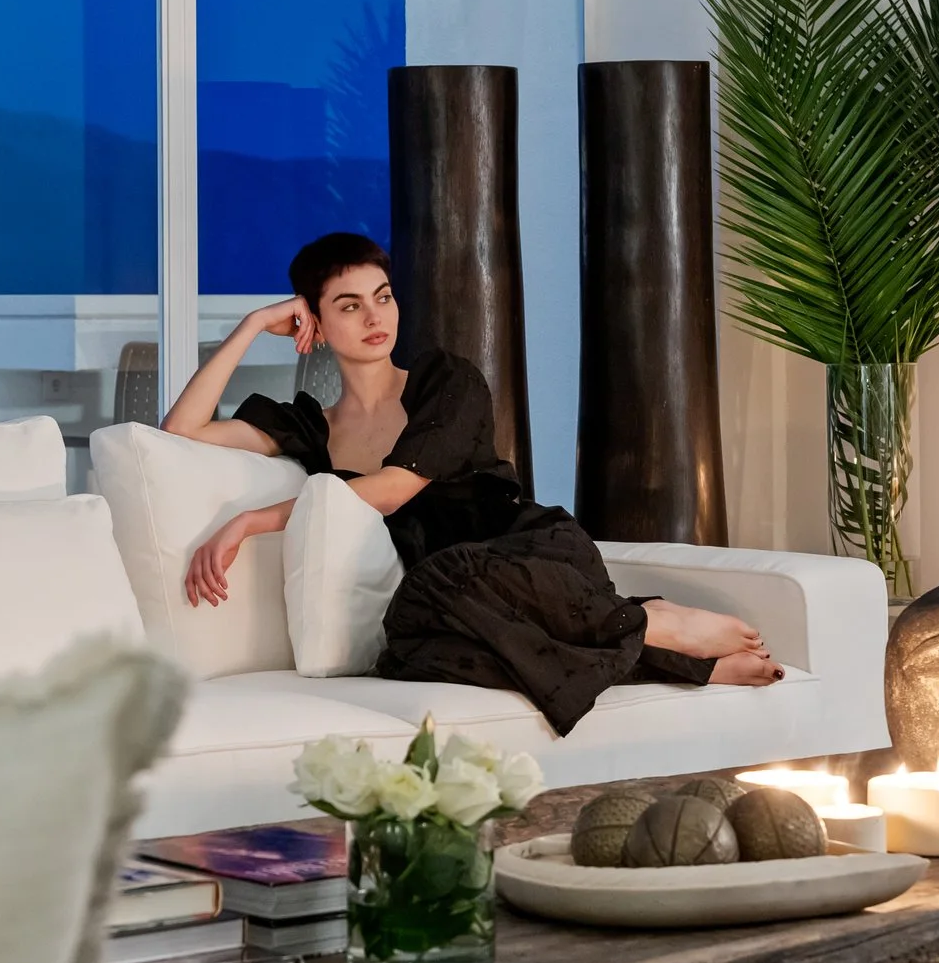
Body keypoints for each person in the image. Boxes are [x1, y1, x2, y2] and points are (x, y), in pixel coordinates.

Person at [161, 231, 779, 736]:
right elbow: (179, 431)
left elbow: (395, 490)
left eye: (383, 296)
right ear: (314, 322)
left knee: (449, 577)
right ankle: (669, 657)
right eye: (348, 306)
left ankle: (651, 622)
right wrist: (250, 325)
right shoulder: (308, 426)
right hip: (444, 599)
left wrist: (251, 520)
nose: (375, 316)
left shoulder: (446, 381)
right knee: (409, 650)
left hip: (527, 560)